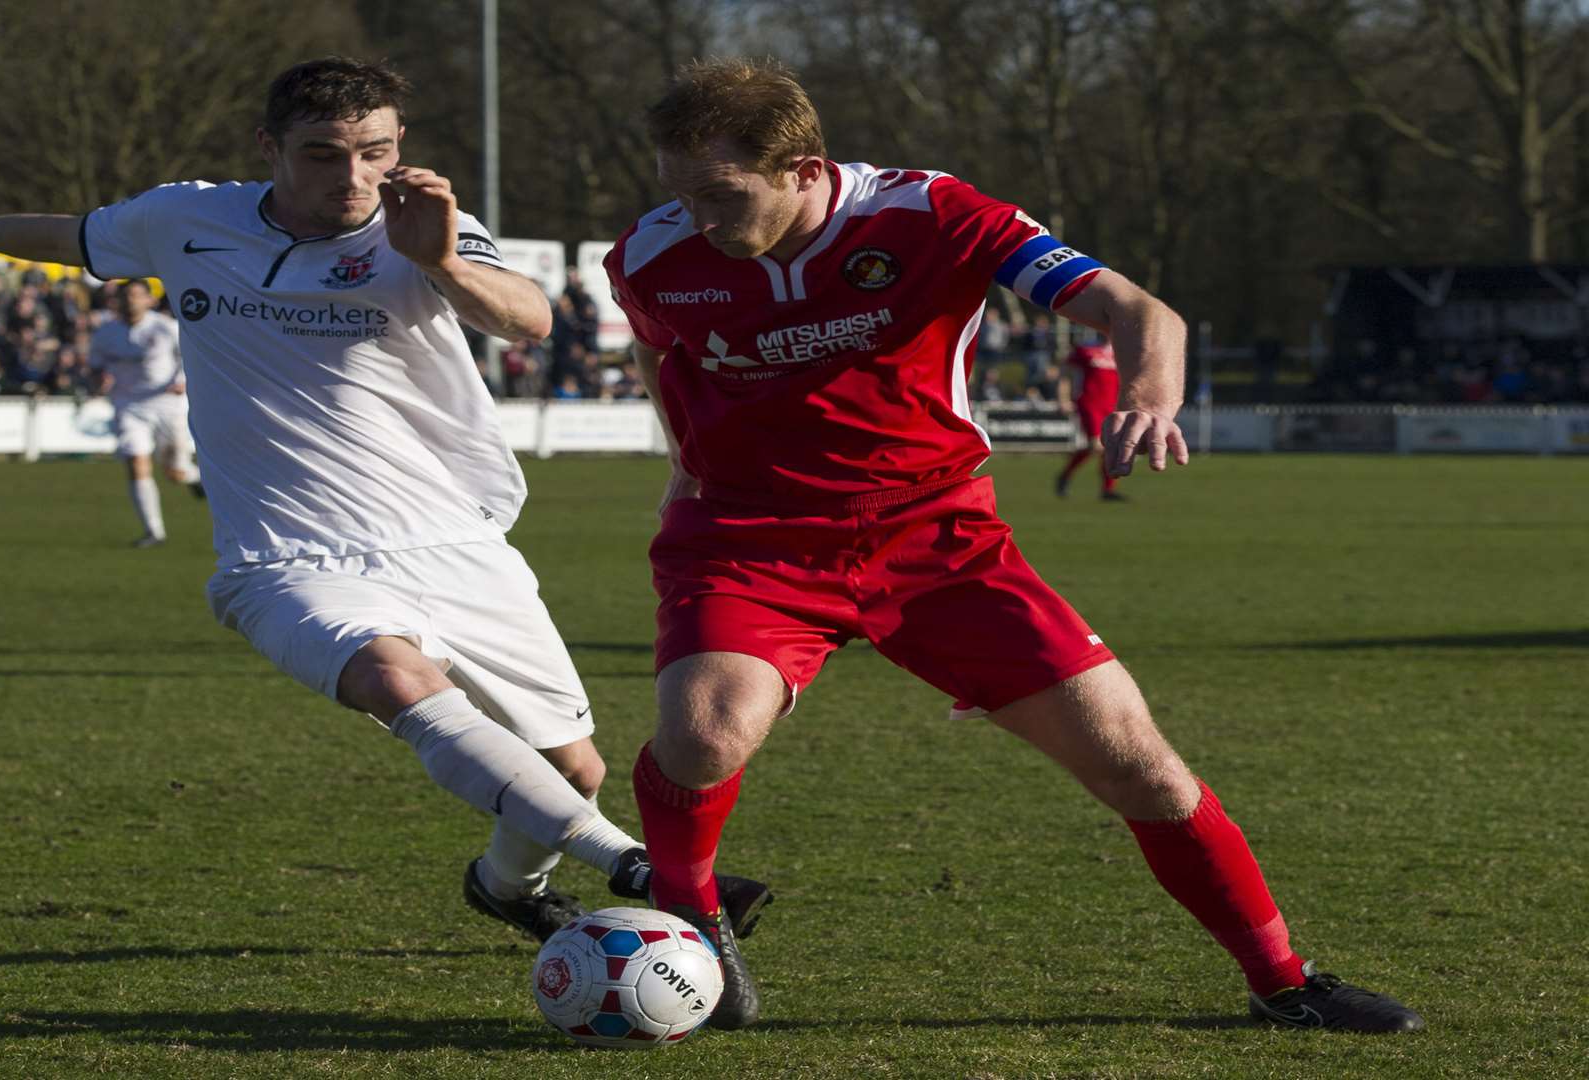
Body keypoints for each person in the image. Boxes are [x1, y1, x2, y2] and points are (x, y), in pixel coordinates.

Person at [604, 57, 1421, 1034]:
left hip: (937, 541)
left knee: (1137, 762)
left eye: (720, 194)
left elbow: (1139, 309)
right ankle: (691, 920)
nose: (697, 218)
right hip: (751, 537)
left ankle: (1283, 979)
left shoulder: (934, 215)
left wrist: (1149, 395)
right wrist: (684, 457)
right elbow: (662, 347)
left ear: (803, 167)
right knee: (703, 733)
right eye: (680, 193)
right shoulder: (651, 258)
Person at [0, 56, 768, 945]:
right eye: (322, 154)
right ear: (269, 148)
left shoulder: (425, 225)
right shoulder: (183, 218)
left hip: (451, 541)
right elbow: (78, 234)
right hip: (285, 558)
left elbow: (527, 318)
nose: (353, 178)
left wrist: (439, 259)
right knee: (395, 679)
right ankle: (638, 869)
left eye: (374, 153)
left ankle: (508, 887)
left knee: (571, 771)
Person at [89, 278, 204, 547]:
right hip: (128, 404)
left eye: (137, 295)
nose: (131, 300)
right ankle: (154, 532)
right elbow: (95, 364)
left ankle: (194, 476)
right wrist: (98, 378)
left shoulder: (166, 328)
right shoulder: (106, 332)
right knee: (136, 462)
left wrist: (184, 378)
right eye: (126, 295)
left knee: (174, 472)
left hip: (166, 404)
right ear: (116, 300)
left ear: (149, 300)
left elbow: (192, 355)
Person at [1055, 333, 1123, 500]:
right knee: (1097, 445)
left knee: (1109, 447)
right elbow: (1065, 374)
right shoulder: (1085, 349)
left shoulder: (1121, 351)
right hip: (1090, 403)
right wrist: (1063, 398)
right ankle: (1066, 476)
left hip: (1112, 405)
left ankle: (1108, 490)